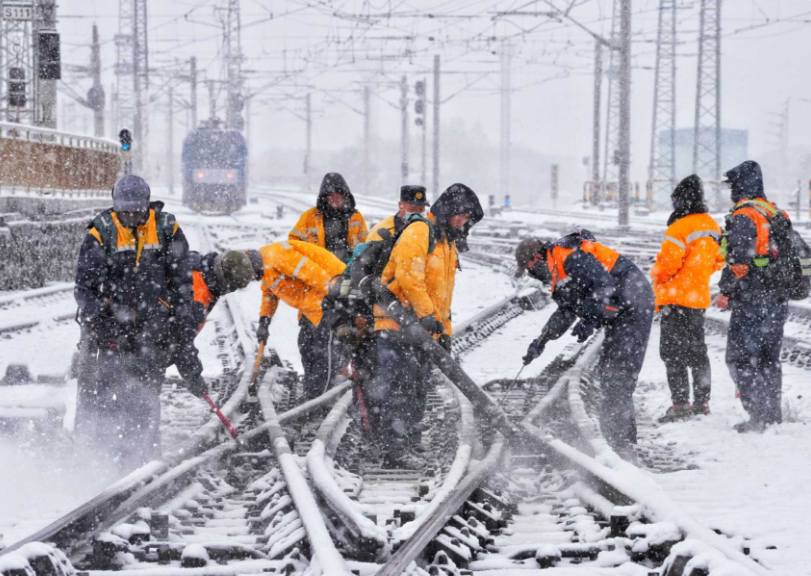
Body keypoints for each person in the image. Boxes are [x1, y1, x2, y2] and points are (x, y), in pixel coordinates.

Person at [74, 175, 196, 470]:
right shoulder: (101, 232)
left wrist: (178, 321)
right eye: (124, 210)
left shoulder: (167, 228)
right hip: (108, 331)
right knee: (97, 391)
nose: (130, 216)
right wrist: (99, 316)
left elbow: (181, 281)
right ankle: (91, 454)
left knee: (146, 392)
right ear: (116, 206)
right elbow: (84, 287)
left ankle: (144, 457)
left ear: (146, 206)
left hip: (152, 330)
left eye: (135, 210)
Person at [367, 183, 483, 468]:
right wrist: (426, 314)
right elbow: (408, 277)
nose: (462, 221)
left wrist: (443, 330)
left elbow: (442, 293)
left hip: (420, 328)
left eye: (467, 217)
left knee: (417, 387)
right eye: (460, 215)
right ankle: (395, 450)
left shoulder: (446, 242)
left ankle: (407, 441)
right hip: (397, 323)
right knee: (400, 388)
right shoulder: (421, 231)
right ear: (446, 211)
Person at [516, 230, 654, 460]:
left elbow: (603, 284)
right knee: (610, 375)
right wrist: (541, 341)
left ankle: (621, 449)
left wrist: (590, 318)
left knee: (617, 376)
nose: (532, 274)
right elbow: (566, 311)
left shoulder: (569, 256)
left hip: (633, 305)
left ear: (537, 258)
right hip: (620, 308)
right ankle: (618, 443)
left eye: (529, 268)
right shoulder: (557, 269)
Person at [716, 160, 789, 433]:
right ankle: (771, 416)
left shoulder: (746, 214)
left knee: (742, 358)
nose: (731, 190)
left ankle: (758, 417)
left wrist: (726, 291)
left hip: (754, 296)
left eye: (733, 185)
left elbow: (739, 261)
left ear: (740, 186)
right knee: (769, 358)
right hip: (777, 294)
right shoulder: (774, 211)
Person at [651, 175, 724, 422]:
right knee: (698, 352)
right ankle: (702, 403)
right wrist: (698, 274)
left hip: (674, 299)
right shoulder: (713, 226)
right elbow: (719, 259)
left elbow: (668, 265)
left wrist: (656, 275)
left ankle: (680, 404)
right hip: (698, 299)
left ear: (681, 199)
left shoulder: (679, 228)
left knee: (673, 353)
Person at [255, 240, 347, 401]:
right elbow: (268, 293)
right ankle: (312, 390)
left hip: (331, 297)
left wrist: (336, 303)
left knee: (323, 351)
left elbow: (315, 275)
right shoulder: (264, 265)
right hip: (311, 304)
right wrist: (264, 321)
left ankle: (320, 398)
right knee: (306, 345)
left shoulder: (277, 256)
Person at [289, 172, 368, 261]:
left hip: (347, 270)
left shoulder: (356, 217)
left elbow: (366, 244)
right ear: (325, 197)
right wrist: (308, 259)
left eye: (338, 194)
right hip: (318, 269)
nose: (335, 198)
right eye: (331, 194)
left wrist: (356, 261)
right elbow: (293, 242)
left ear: (345, 196)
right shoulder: (310, 216)